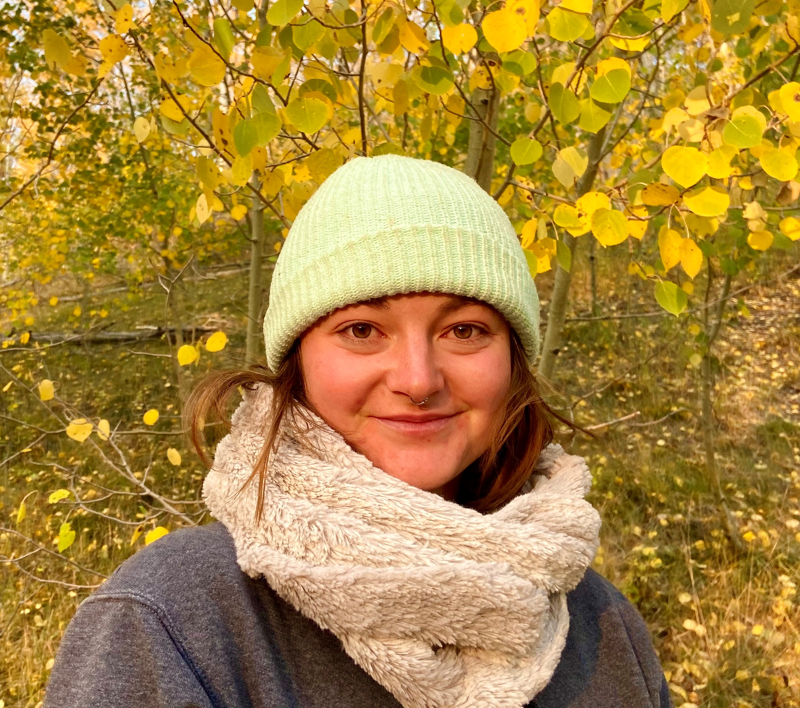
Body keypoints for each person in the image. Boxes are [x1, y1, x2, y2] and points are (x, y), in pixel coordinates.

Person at [44, 155, 671, 708]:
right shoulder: (171, 625)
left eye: (465, 330)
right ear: (300, 363)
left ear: (512, 360)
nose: (418, 379)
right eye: (362, 330)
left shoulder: (602, 626)